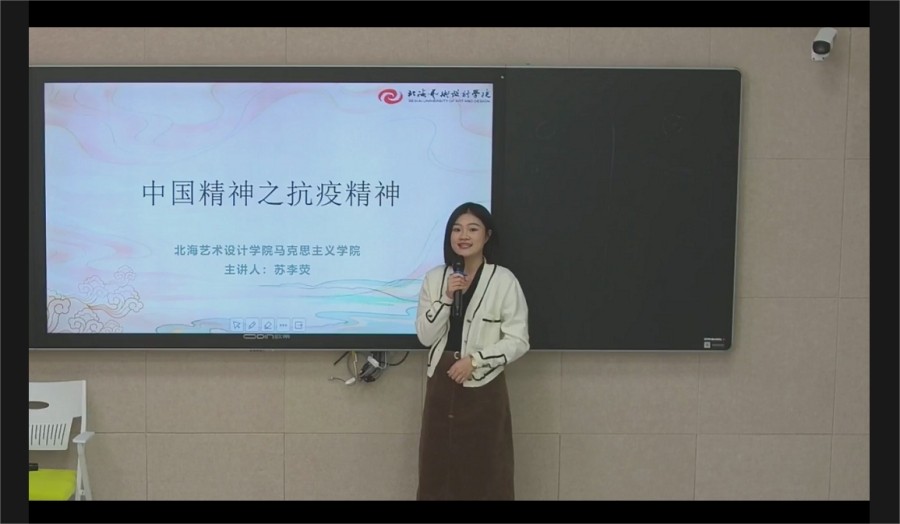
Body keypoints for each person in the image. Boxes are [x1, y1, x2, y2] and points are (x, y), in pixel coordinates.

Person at [414, 202, 530, 500]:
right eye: (457, 229)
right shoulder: (435, 278)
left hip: (484, 385)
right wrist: (446, 297)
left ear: (487, 236)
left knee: (486, 468)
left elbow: (518, 339)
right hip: (441, 382)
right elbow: (425, 337)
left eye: (472, 229)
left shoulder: (503, 280)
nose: (463, 236)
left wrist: (475, 361)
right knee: (436, 467)